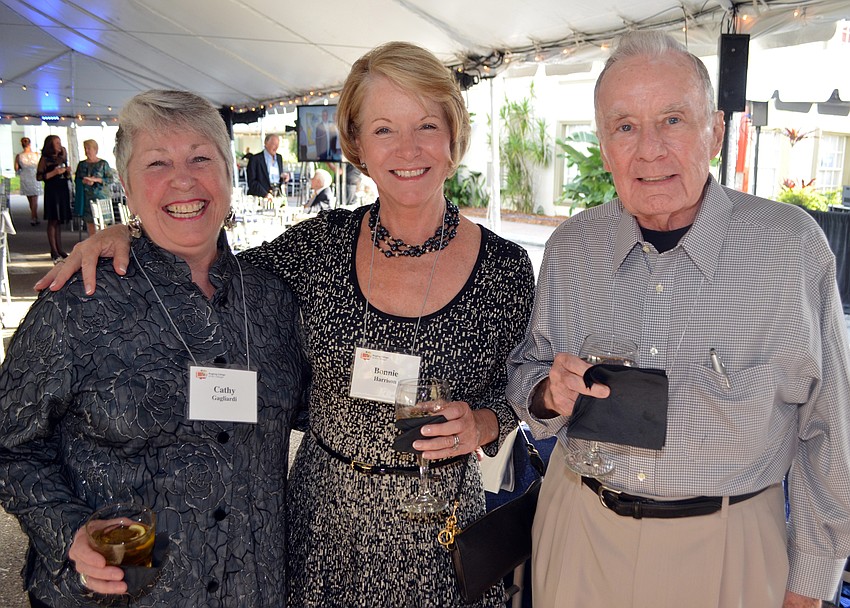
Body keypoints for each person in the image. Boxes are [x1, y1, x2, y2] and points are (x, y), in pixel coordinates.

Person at [37, 41, 535, 607]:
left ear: (453, 134)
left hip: (441, 534)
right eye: (383, 129)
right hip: (322, 532)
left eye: (426, 124)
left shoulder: (506, 269)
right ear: (358, 145)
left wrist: (486, 421)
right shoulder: (316, 247)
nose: (408, 149)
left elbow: (522, 386)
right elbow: (208, 266)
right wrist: (130, 232)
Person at [506, 30, 850, 608]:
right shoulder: (569, 248)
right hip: (580, 532)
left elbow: (829, 429)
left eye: (672, 120)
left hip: (729, 547)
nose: (649, 150)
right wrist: (547, 392)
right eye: (625, 126)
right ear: (603, 142)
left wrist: (810, 581)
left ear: (714, 131)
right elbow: (527, 373)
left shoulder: (790, 247)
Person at [0, 89, 307, 607]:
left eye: (201, 158)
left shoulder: (273, 298)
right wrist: (69, 531)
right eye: (157, 163)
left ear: (229, 171)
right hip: (126, 588)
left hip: (250, 587)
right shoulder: (80, 303)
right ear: (126, 185)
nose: (183, 179)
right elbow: (10, 442)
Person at [36, 134, 72, 262]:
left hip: (62, 189)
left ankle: (60, 248)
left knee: (59, 220)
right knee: (52, 219)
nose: (59, 145)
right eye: (56, 143)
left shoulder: (62, 157)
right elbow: (39, 176)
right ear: (50, 145)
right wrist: (54, 173)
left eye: (59, 142)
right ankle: (54, 250)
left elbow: (68, 177)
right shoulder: (45, 159)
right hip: (52, 190)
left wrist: (67, 172)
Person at [74, 139, 112, 235]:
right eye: (85, 148)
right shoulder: (82, 165)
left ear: (95, 149)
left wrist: (96, 180)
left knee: (103, 224)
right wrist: (84, 181)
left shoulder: (103, 164)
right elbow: (77, 179)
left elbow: (110, 179)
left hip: (101, 197)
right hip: (87, 198)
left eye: (89, 148)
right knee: (90, 223)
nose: (87, 151)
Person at [246, 134, 288, 199]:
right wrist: (265, 194)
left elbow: (278, 177)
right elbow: (252, 182)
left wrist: (284, 177)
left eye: (277, 145)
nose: (276, 147)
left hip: (276, 196)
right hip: (260, 197)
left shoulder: (279, 158)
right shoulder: (255, 159)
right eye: (274, 144)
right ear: (266, 143)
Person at [14, 136, 40, 225]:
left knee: (30, 199)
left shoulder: (19, 156)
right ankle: (34, 217)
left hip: (25, 176)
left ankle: (34, 217)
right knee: (35, 199)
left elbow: (16, 168)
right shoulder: (36, 154)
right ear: (30, 144)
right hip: (34, 176)